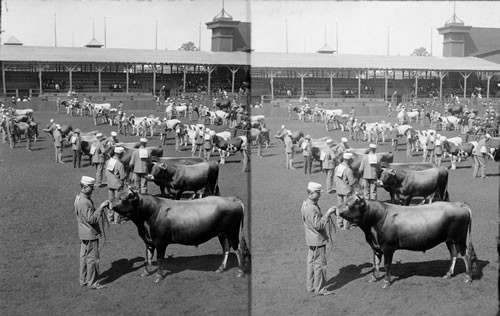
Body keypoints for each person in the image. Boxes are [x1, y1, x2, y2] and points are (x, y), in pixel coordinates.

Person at [300, 182, 336, 296]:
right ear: (311, 193)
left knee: (311, 263)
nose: (320, 195)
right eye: (318, 193)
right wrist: (328, 213)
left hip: (310, 239)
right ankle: (320, 289)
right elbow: (318, 226)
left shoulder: (306, 204)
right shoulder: (311, 208)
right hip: (317, 240)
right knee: (319, 265)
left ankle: (311, 286)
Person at [74, 176, 109, 290]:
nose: (93, 189)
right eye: (91, 187)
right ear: (84, 187)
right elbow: (92, 219)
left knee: (84, 258)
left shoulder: (79, 198)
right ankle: (92, 282)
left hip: (83, 233)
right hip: (90, 234)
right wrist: (101, 207)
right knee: (92, 259)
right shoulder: (84, 202)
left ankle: (83, 280)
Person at [334, 153, 356, 230]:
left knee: (340, 207)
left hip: (339, 190)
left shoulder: (337, 167)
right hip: (347, 192)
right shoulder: (348, 170)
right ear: (349, 160)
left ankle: (339, 223)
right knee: (347, 208)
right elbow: (352, 183)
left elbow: (335, 179)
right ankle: (346, 225)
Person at [105, 147, 126, 224]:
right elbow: (123, 176)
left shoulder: (108, 162)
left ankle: (110, 217)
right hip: (118, 186)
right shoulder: (120, 164)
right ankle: (117, 219)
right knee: (117, 202)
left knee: (111, 201)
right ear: (120, 154)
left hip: (110, 184)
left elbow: (106, 173)